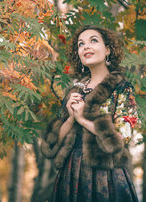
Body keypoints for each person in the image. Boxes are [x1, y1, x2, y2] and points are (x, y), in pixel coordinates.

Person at [41, 25, 140, 201]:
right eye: (81, 44)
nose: (86, 46)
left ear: (108, 50)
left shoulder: (122, 88)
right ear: (78, 54)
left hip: (107, 175)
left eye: (93, 40)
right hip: (71, 174)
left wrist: (82, 119)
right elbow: (54, 141)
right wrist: (71, 118)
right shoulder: (73, 92)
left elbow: (121, 137)